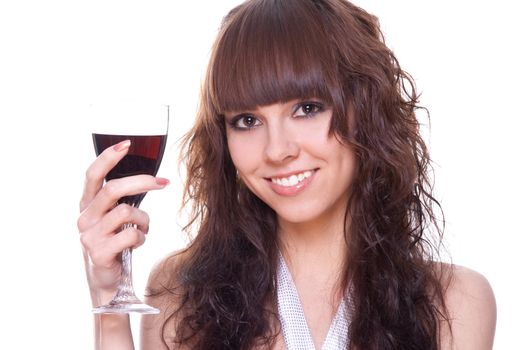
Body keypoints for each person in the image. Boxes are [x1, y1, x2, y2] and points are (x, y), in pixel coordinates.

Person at [77, 0, 497, 349]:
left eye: (308, 108)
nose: (277, 150)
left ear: (365, 109)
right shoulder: (182, 291)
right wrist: (108, 298)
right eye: (246, 120)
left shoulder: (455, 302)